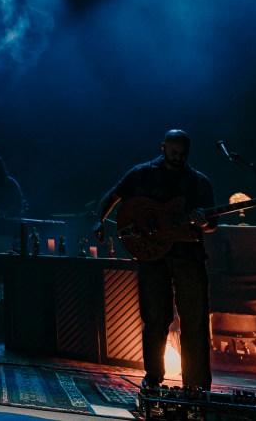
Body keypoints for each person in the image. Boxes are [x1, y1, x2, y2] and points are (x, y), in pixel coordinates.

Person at [91, 129, 216, 390]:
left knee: (195, 321)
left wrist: (205, 223)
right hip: (152, 256)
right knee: (155, 318)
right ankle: (153, 377)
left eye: (182, 154)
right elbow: (112, 194)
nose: (178, 158)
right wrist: (99, 220)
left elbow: (212, 225)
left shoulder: (199, 182)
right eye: (173, 152)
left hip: (189, 257)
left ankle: (196, 385)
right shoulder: (141, 173)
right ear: (163, 148)